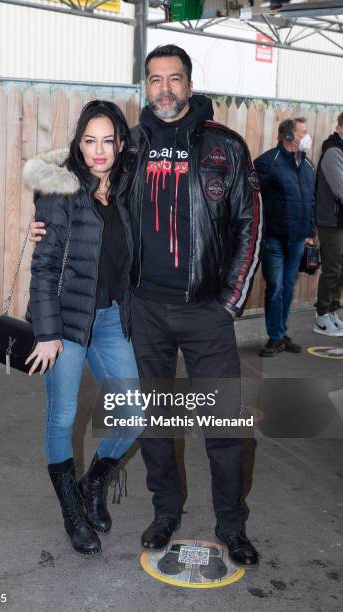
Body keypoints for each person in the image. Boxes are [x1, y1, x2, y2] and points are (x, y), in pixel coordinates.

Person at [29, 45, 262, 569]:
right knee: (154, 418)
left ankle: (231, 523)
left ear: (189, 83)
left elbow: (251, 222)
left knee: (223, 424)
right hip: (144, 310)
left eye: (174, 79)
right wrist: (41, 217)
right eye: (155, 80)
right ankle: (165, 512)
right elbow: (76, 174)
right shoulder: (131, 147)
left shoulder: (226, 146)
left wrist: (230, 300)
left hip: (207, 311)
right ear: (145, 87)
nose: (164, 89)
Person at [23, 100, 143, 556]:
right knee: (62, 415)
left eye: (107, 141)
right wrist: (48, 332)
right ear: (78, 143)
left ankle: (92, 484)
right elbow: (45, 264)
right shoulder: (61, 192)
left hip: (112, 318)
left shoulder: (127, 188)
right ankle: (71, 510)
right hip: (67, 323)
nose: (99, 151)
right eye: (89, 141)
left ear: (120, 145)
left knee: (133, 415)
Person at [255, 117, 316, 357]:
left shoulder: (308, 166)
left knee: (288, 288)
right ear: (289, 136)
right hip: (274, 240)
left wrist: (310, 233)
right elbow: (253, 202)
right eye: (303, 132)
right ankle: (276, 336)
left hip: (299, 241)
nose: (307, 136)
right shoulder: (268, 162)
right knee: (276, 287)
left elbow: (310, 202)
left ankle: (280, 333)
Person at [313, 112, 343, 336]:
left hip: (340, 221)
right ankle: (322, 316)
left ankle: (333, 311)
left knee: (340, 270)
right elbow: (340, 188)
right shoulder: (333, 150)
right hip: (331, 221)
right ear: (340, 127)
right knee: (332, 269)